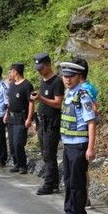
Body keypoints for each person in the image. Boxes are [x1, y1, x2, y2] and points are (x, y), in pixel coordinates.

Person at [54, 62, 97, 214]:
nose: (67, 79)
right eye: (65, 76)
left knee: (77, 181)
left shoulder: (83, 96)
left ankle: (80, 213)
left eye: (71, 76)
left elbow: (91, 123)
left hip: (79, 144)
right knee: (68, 179)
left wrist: (90, 148)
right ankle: (70, 210)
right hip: (68, 144)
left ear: (79, 77)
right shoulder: (68, 94)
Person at [30, 52, 64, 194]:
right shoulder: (43, 81)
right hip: (42, 122)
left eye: (41, 68)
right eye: (37, 69)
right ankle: (53, 182)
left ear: (48, 65)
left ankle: (49, 183)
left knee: (49, 154)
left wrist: (41, 98)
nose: (39, 71)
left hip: (52, 123)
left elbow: (58, 103)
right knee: (45, 153)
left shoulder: (57, 82)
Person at [73, 57, 100, 208]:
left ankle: (85, 197)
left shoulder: (84, 90)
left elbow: (94, 109)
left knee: (82, 167)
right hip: (78, 133)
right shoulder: (88, 87)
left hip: (82, 133)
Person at [4, 63, 34, 174]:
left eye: (11, 71)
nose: (9, 73)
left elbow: (31, 102)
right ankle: (16, 163)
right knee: (12, 143)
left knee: (18, 143)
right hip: (11, 118)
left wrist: (29, 118)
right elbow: (10, 102)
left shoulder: (27, 85)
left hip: (21, 118)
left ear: (15, 71)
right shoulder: (12, 85)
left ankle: (23, 165)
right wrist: (7, 114)